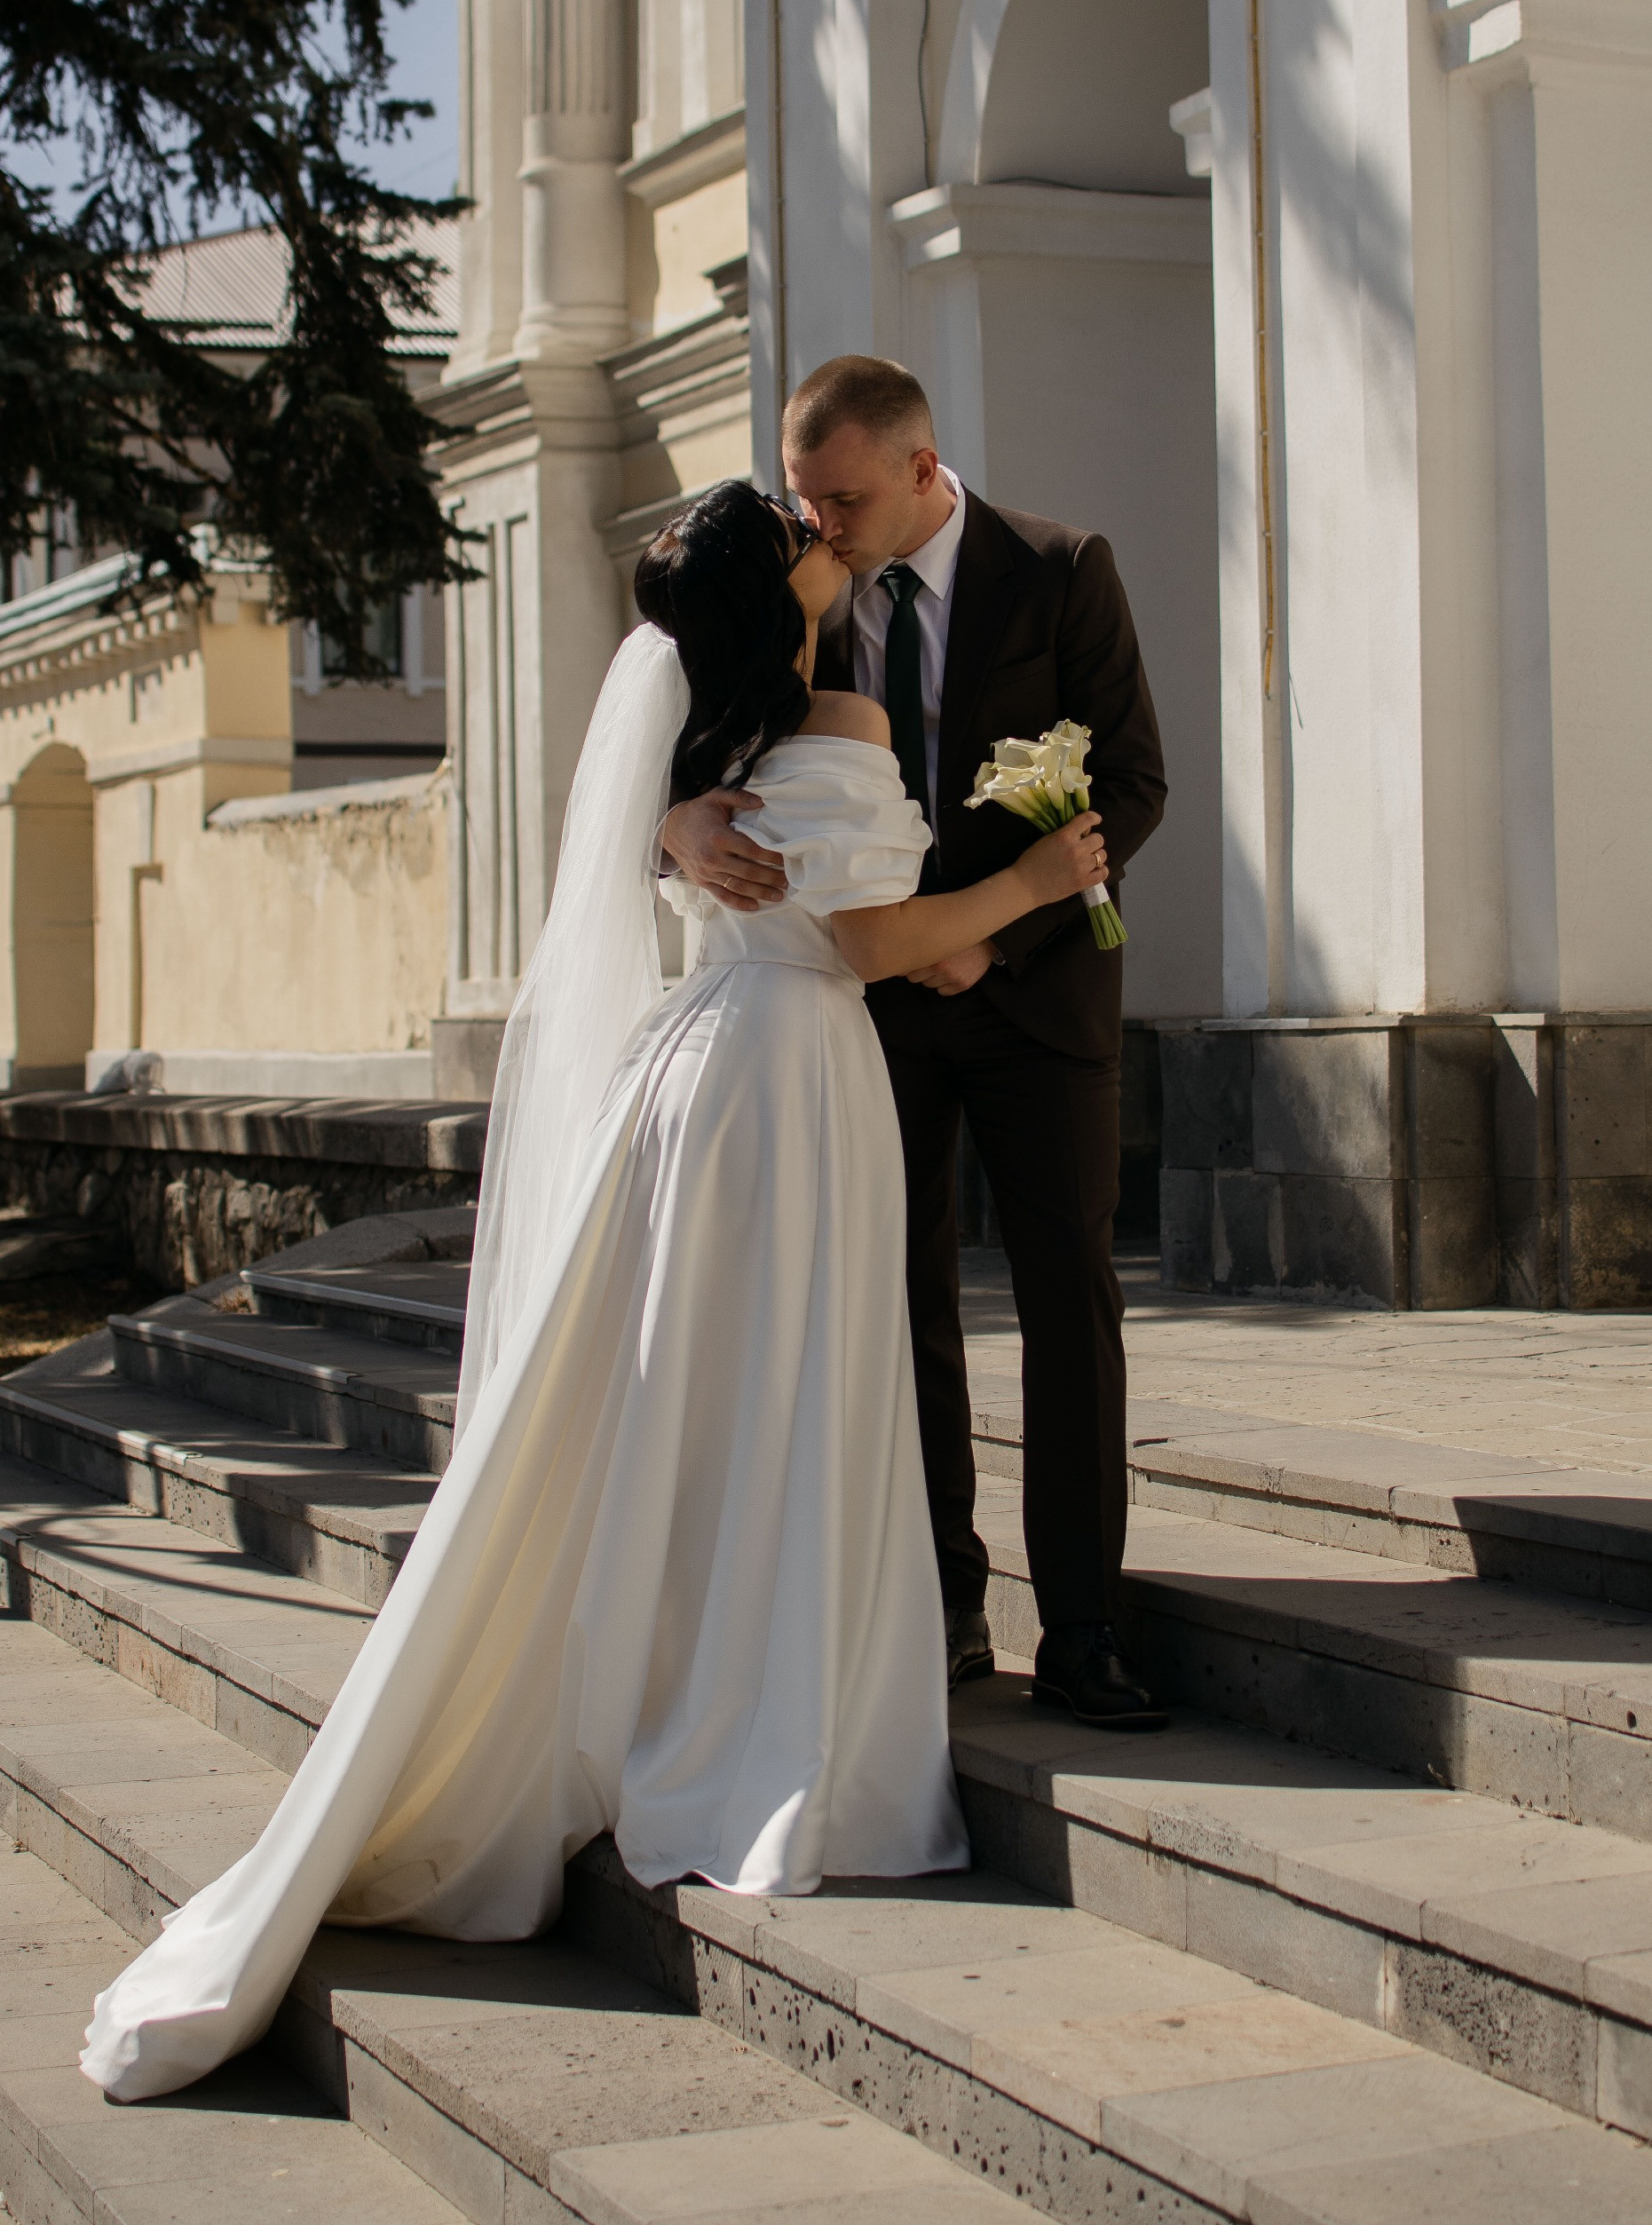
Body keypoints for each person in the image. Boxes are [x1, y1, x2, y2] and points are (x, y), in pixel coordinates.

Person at [79, 479, 1108, 2104]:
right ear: (780, 598)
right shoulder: (827, 698)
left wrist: (756, 861)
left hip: (692, 1073)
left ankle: (677, 1684)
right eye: (805, 536)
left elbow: (794, 895)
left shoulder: (701, 725)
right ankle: (761, 1720)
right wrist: (1031, 889)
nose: (828, 538)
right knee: (780, 1394)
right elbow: (864, 944)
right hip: (784, 1081)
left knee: (693, 1404)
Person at [663, 360, 1167, 1730]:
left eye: (842, 493)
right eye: (800, 491)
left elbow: (1129, 781)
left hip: (1041, 1010)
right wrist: (680, 824)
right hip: (859, 1009)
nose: (816, 519)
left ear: (922, 467)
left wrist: (992, 939)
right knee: (902, 1309)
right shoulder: (798, 598)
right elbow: (692, 740)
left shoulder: (1064, 570)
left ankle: (1084, 1631)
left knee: (1071, 1306)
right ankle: (944, 1608)